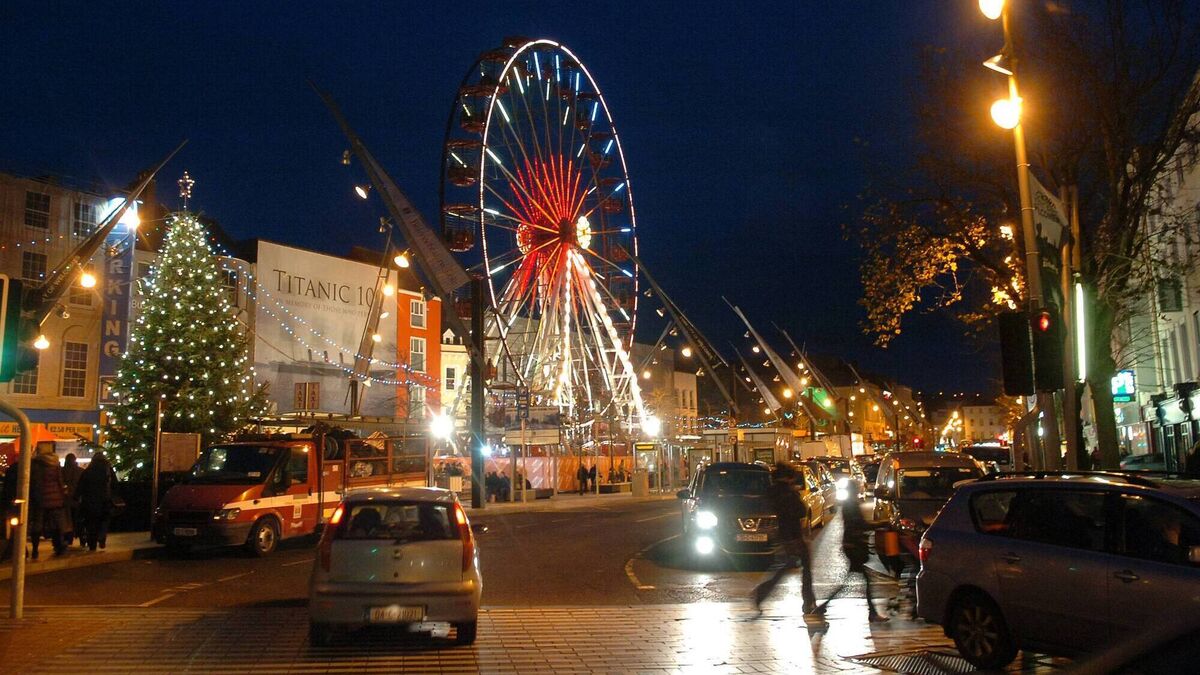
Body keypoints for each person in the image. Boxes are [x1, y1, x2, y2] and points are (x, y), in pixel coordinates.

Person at [817, 482, 888, 622]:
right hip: (853, 545)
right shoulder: (851, 505)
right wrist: (881, 524)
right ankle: (872, 613)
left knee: (852, 581)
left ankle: (823, 607)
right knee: (860, 580)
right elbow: (860, 524)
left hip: (851, 544)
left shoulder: (849, 504)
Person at [753, 463, 818, 615]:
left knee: (786, 567)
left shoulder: (773, 491)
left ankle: (761, 593)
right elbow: (801, 511)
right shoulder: (788, 492)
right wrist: (795, 494)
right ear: (788, 477)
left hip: (783, 534)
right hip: (794, 535)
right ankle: (808, 602)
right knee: (804, 568)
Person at [29, 444, 68, 559]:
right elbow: (60, 481)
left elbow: (34, 482)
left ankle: (35, 550)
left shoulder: (36, 464)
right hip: (55, 498)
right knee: (56, 524)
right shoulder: (55, 463)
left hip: (40, 498)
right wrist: (62, 495)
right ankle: (58, 546)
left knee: (37, 524)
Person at [77, 451, 118, 551]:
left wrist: (76, 497)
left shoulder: (88, 471)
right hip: (104, 500)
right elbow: (115, 484)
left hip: (89, 502)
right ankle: (102, 536)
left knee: (91, 523)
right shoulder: (108, 470)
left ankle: (92, 544)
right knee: (104, 520)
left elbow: (80, 486)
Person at [61, 453, 84, 547]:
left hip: (65, 500)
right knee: (78, 519)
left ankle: (68, 538)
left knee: (67, 520)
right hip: (77, 499)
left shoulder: (62, 471)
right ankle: (81, 537)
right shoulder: (81, 471)